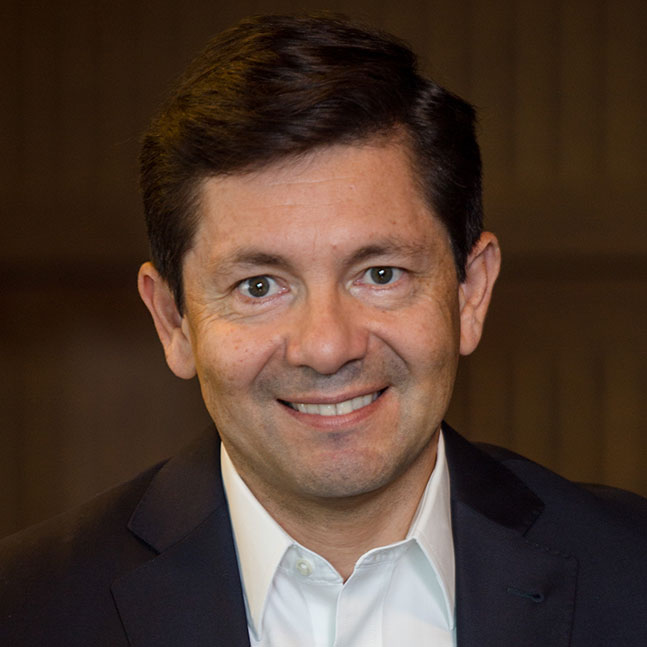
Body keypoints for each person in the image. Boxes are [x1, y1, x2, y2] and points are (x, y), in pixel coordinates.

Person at [1, 13, 645, 647]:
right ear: (174, 321)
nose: (328, 347)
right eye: (259, 286)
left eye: (380, 274)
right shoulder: (25, 609)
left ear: (470, 293)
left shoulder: (632, 573)